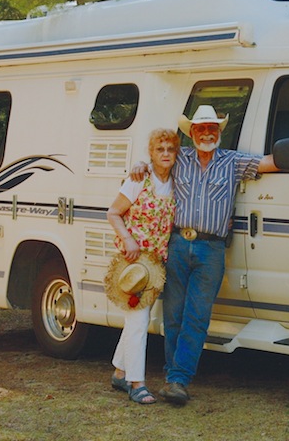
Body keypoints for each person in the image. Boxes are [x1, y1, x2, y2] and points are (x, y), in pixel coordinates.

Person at [130, 104, 278, 406]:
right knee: (172, 316)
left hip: (210, 250)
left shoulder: (232, 162)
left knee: (196, 318)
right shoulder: (179, 158)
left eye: (212, 128)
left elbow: (268, 163)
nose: (207, 133)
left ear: (219, 132)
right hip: (177, 244)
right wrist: (139, 164)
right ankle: (173, 374)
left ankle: (178, 380)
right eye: (200, 128)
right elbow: (157, 160)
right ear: (191, 133)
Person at [105, 128, 179, 405]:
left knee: (136, 320)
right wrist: (128, 240)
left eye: (170, 149)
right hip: (134, 263)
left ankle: (120, 371)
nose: (165, 154)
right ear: (151, 153)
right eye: (160, 149)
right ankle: (137, 383)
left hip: (156, 265)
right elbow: (113, 212)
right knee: (138, 320)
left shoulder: (174, 182)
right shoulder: (139, 179)